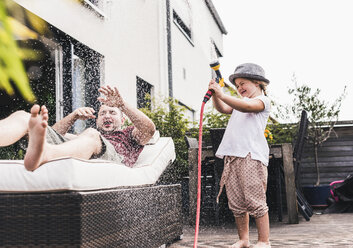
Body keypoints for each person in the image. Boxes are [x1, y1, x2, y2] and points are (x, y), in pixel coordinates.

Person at [0, 85, 156, 171]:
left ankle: (47, 154)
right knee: (24, 117)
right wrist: (73, 116)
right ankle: (45, 152)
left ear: (123, 119)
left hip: (114, 161)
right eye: (102, 114)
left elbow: (149, 130)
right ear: (97, 120)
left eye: (112, 112)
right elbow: (49, 135)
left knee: (91, 136)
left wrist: (122, 105)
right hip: (87, 144)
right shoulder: (84, 140)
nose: (107, 116)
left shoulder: (129, 135)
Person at [208, 63, 271, 248]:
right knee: (236, 202)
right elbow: (223, 108)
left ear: (258, 82)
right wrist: (216, 96)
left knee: (255, 199)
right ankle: (244, 239)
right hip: (232, 157)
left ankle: (264, 241)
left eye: (243, 83)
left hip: (251, 156)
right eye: (237, 85)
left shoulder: (261, 101)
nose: (239, 87)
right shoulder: (239, 103)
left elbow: (246, 107)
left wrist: (222, 94)